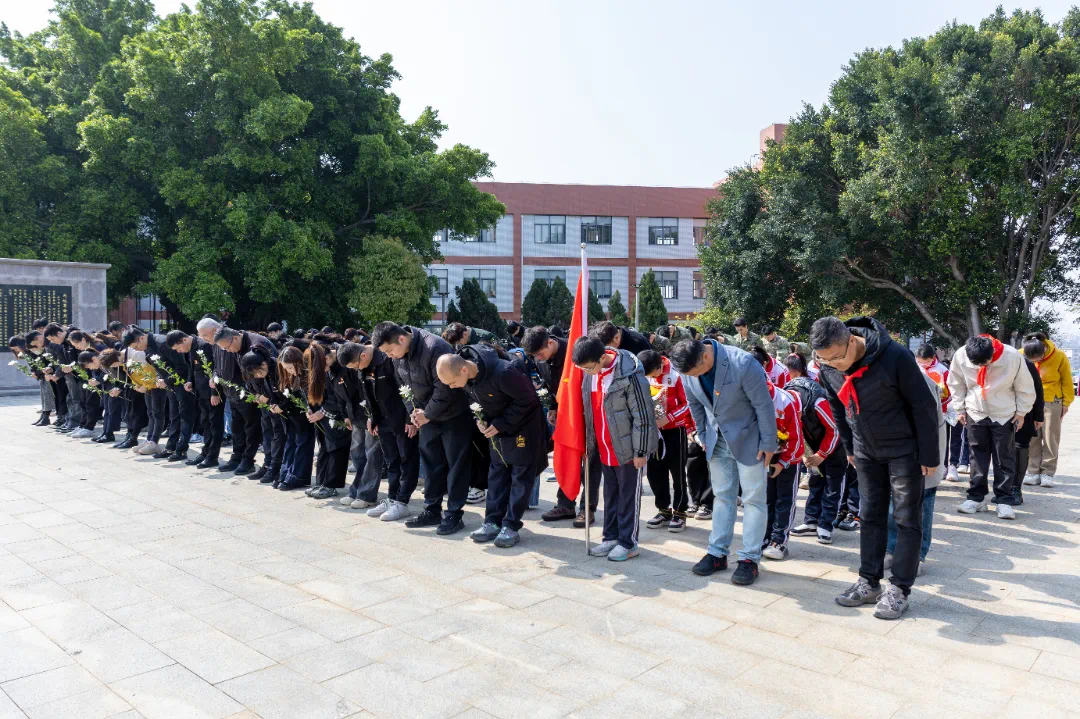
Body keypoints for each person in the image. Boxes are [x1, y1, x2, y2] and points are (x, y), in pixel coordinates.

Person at [812, 316, 939, 620]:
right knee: (869, 516)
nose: (833, 365)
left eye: (837, 358)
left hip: (904, 451)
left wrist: (929, 455)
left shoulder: (894, 356)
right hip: (865, 450)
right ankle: (869, 581)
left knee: (906, 518)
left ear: (851, 341)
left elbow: (923, 404)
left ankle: (899, 589)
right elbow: (837, 406)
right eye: (824, 360)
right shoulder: (829, 367)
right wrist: (850, 448)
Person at [672, 336, 776, 586]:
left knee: (753, 499)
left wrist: (769, 443)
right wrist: (701, 434)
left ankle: (749, 559)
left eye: (696, 372)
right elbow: (694, 403)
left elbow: (763, 405)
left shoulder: (743, 363)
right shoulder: (688, 369)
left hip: (750, 439)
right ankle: (717, 553)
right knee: (722, 497)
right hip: (716, 439)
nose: (693, 377)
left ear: (706, 356)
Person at [437, 345, 545, 547]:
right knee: (496, 475)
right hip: (497, 430)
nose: (452, 387)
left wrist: (501, 423)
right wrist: (481, 420)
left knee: (520, 477)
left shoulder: (503, 372)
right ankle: (492, 522)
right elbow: (477, 403)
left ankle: (511, 526)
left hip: (523, 428)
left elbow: (529, 400)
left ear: (464, 369)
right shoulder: (468, 379)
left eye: (452, 382)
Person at [373, 322, 473, 536]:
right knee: (431, 465)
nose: (389, 356)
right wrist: (414, 413)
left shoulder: (434, 347)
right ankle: (432, 510)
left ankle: (454, 515)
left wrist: (426, 414)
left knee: (456, 466)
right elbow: (404, 388)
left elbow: (444, 388)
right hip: (426, 418)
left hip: (453, 416)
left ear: (401, 339)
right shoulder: (398, 356)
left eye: (390, 350)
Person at [573, 337, 658, 562]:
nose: (586, 372)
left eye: (588, 368)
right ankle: (610, 537)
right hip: (604, 447)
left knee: (628, 497)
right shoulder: (591, 374)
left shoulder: (630, 374)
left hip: (628, 449)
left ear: (603, 358)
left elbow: (643, 415)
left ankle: (628, 543)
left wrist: (641, 451)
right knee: (610, 495)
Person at [948, 334, 1035, 519]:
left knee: (1004, 457)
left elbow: (1025, 386)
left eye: (985, 363)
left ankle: (1004, 500)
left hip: (1004, 412)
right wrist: (960, 409)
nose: (982, 367)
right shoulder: (961, 355)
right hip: (975, 410)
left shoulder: (1012, 356)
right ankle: (976, 498)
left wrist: (1021, 412)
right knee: (976, 455)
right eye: (977, 364)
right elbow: (956, 383)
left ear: (993, 352)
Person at [523, 326, 600, 525]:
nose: (538, 358)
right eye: (534, 356)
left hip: (589, 412)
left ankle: (587, 508)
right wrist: (553, 407)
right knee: (566, 458)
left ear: (550, 342)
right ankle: (565, 504)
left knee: (590, 462)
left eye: (540, 353)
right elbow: (552, 386)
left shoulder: (575, 351)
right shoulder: (540, 360)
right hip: (566, 415)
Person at [338, 342, 418, 521]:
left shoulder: (388, 359)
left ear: (363, 356)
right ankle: (392, 498)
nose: (356, 370)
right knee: (391, 461)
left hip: (401, 419)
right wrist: (371, 418)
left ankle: (402, 502)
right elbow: (367, 395)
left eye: (355, 366)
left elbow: (407, 388)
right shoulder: (363, 367)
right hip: (382, 421)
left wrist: (409, 418)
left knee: (406, 460)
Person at [884, 370, 949, 576]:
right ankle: (891, 549)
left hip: (924, 453)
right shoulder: (885, 377)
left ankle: (918, 555)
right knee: (893, 502)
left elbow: (932, 424)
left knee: (923, 505)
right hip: (898, 453)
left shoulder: (923, 382)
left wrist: (930, 458)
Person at [749, 348, 804, 561]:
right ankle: (766, 536)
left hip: (788, 458)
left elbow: (796, 438)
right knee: (767, 499)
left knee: (785, 500)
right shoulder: (749, 401)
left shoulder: (784, 401)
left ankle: (779, 541)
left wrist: (783, 462)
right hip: (765, 458)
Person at [784, 353, 845, 544]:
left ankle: (825, 525)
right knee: (815, 481)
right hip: (814, 444)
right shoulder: (788, 397)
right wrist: (805, 453)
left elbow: (835, 430)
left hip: (836, 446)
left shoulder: (817, 401)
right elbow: (794, 429)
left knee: (832, 486)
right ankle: (811, 521)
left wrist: (822, 454)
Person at [638, 349, 694, 533]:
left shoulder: (676, 375)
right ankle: (663, 509)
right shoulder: (645, 375)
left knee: (677, 473)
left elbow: (688, 404)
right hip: (655, 432)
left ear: (660, 365)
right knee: (655, 472)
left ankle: (680, 512)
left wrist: (669, 418)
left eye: (653, 374)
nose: (652, 378)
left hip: (675, 431)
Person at [213, 324, 277, 474]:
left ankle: (273, 467)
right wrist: (254, 392)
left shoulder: (259, 344)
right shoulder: (237, 347)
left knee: (272, 433)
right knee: (265, 431)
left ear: (235, 338)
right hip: (257, 395)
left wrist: (267, 395)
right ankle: (268, 465)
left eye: (227, 347)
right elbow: (247, 375)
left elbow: (275, 372)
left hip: (272, 397)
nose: (227, 351)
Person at [123, 326, 194, 462]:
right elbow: (160, 368)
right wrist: (162, 380)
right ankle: (171, 447)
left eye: (136, 346)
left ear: (141, 338)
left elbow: (183, 366)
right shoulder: (148, 346)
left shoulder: (162, 343)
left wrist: (166, 380)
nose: (137, 350)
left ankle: (181, 449)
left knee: (184, 416)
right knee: (174, 415)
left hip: (182, 384)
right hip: (170, 384)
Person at [1021, 333, 1073, 488]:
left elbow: (1067, 380)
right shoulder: (1021, 354)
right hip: (1029, 399)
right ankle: (1032, 471)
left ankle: (1047, 473)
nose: (1036, 362)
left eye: (1038, 358)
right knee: (1032, 436)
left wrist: (1066, 402)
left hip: (1052, 400)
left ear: (1044, 348)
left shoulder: (1059, 356)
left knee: (1051, 437)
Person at [167, 330, 225, 470]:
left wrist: (215, 393)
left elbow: (214, 369)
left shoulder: (203, 345)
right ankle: (205, 453)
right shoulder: (191, 348)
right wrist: (190, 381)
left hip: (212, 393)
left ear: (184, 340)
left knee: (214, 424)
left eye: (178, 348)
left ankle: (212, 456)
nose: (179, 351)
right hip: (200, 392)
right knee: (206, 423)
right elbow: (192, 368)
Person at [305, 342, 352, 499]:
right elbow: (313, 389)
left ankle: (331, 485)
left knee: (336, 449)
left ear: (326, 358)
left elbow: (340, 396)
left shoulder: (341, 364)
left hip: (338, 415)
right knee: (324, 448)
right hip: (322, 414)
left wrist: (323, 412)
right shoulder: (322, 365)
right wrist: (310, 407)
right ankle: (321, 482)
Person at [270, 345, 316, 491]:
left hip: (304, 415)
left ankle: (298, 476)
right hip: (291, 415)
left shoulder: (307, 374)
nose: (289, 371)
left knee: (302, 444)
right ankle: (286, 472)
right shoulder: (289, 376)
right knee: (290, 443)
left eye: (290, 367)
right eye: (286, 368)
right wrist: (275, 404)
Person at [914, 344, 959, 481]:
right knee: (936, 440)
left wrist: (942, 400)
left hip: (944, 409)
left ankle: (952, 465)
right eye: (920, 362)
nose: (923, 365)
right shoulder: (915, 368)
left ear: (933, 357)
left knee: (949, 438)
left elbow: (950, 391)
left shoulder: (942, 370)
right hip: (922, 411)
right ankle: (941, 466)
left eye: (926, 361)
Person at [1012, 348, 1045, 504]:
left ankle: (1016, 488)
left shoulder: (1026, 364)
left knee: (1020, 447)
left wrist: (1039, 416)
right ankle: (1003, 487)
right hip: (1000, 413)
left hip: (1025, 413)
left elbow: (1038, 390)